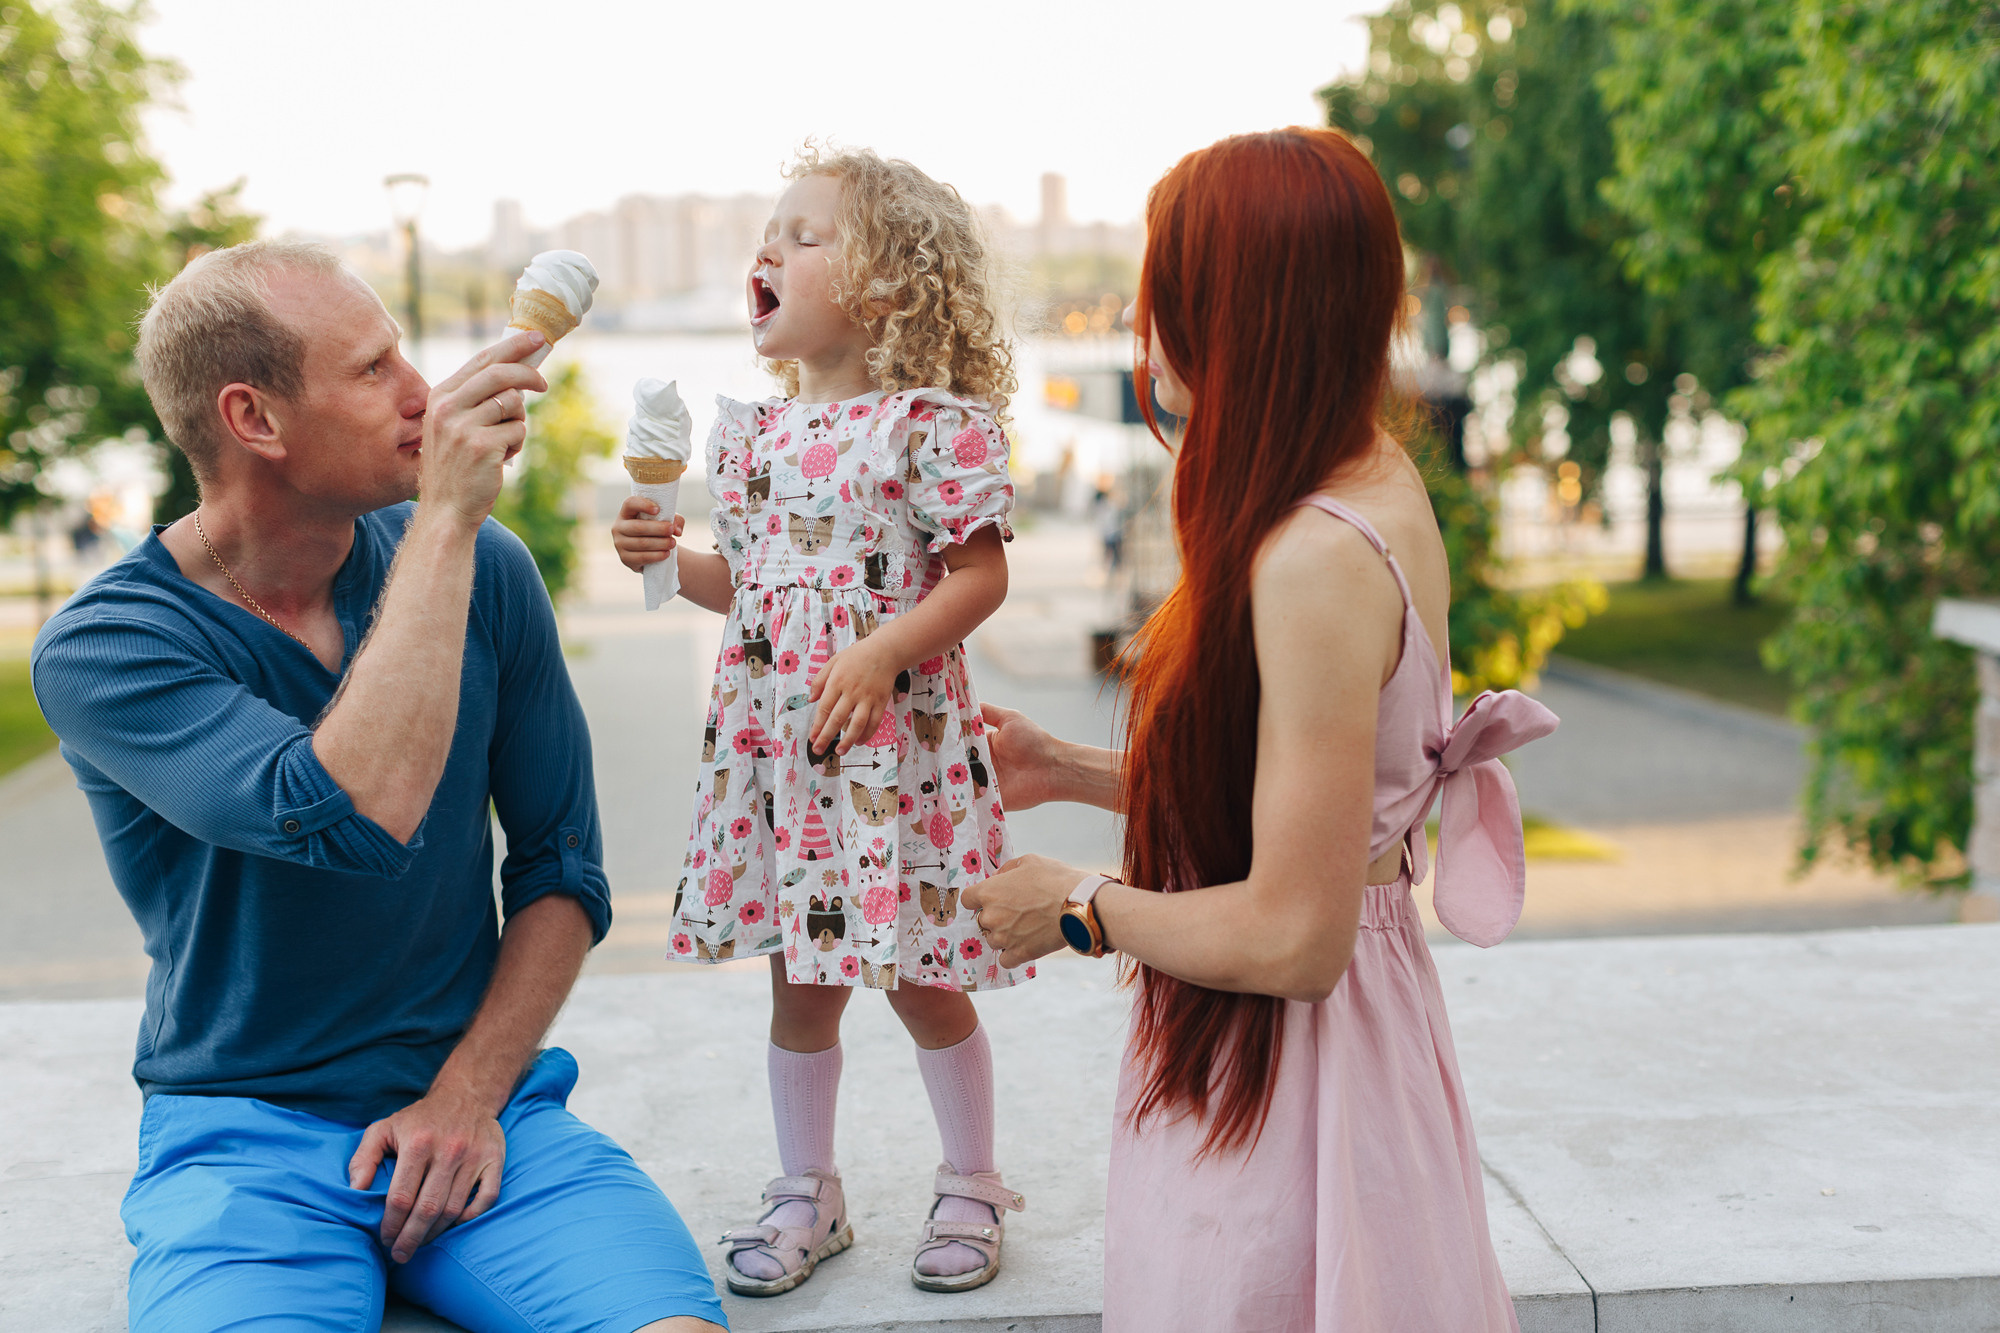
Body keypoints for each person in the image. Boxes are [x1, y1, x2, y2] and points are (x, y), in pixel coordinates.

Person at [30, 240, 725, 1332]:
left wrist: (468, 1094)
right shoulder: (108, 648)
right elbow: (352, 813)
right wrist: (444, 518)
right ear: (255, 419)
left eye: (403, 354)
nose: (423, 393)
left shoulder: (491, 568)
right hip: (244, 1144)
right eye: (371, 370)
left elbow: (561, 867)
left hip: (484, 1112)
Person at [962, 128, 1559, 1331]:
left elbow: (1295, 934)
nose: (1142, 332)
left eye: (1162, 293)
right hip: (1331, 1050)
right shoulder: (1364, 474)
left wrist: (1075, 906)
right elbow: (1323, 800)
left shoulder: (1314, 557)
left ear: (1232, 316)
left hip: (1296, 1083)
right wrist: (1068, 769)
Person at [611, 146, 1028, 1298]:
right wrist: (665, 561)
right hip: (788, 755)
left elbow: (979, 576)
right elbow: (750, 588)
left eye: (804, 235)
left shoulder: (926, 426)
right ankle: (807, 1189)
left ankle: (972, 1179)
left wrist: (886, 649)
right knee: (799, 981)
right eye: (769, 235)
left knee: (921, 976)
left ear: (888, 284)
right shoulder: (752, 437)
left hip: (893, 753)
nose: (769, 250)